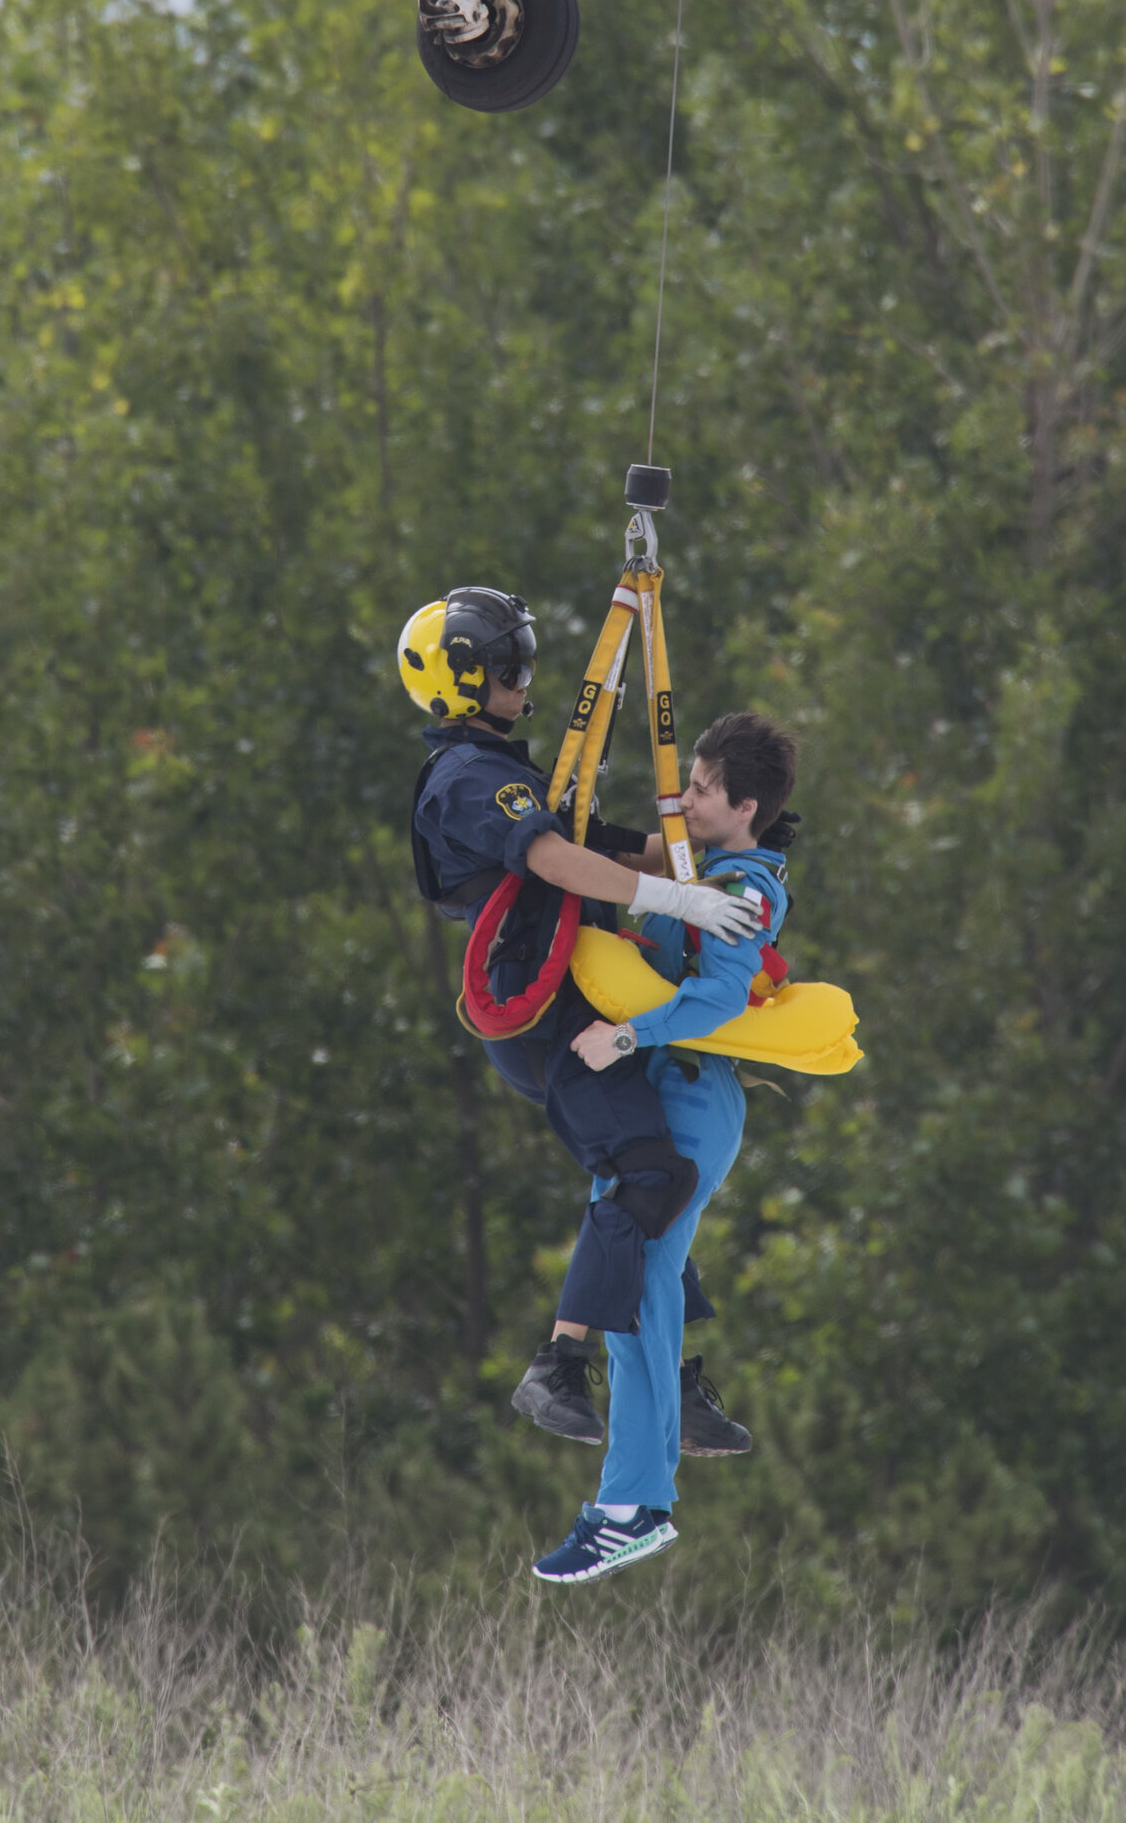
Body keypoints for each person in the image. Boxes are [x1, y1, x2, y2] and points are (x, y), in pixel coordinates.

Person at [403, 588, 756, 1458]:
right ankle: (559, 1363)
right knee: (647, 1172)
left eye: (525, 661)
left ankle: (666, 1373)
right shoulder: (465, 782)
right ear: (464, 684)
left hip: (577, 1000)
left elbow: (610, 841)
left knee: (657, 1178)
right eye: (509, 668)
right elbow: (556, 858)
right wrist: (679, 901)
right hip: (539, 1017)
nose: (527, 680)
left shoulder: (515, 772)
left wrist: (730, 849)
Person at [532, 711, 796, 1583]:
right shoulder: (699, 867)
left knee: (636, 1299)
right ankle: (649, 1469)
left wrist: (628, 1037)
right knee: (632, 1291)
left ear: (746, 805)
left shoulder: (747, 886)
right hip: (656, 1101)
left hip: (688, 1100)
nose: (685, 799)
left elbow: (718, 997)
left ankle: (633, 1507)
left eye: (705, 789)